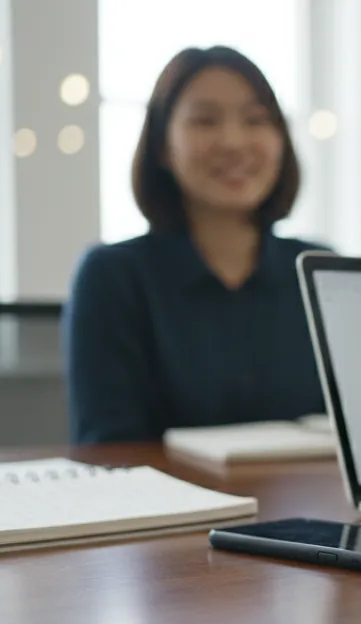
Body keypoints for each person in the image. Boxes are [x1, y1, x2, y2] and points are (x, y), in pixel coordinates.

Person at [63, 46, 329, 443]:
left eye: (256, 120)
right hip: (174, 504)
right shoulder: (112, 276)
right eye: (205, 121)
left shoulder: (319, 269)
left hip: (311, 504)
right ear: (162, 147)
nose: (234, 141)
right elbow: (110, 447)